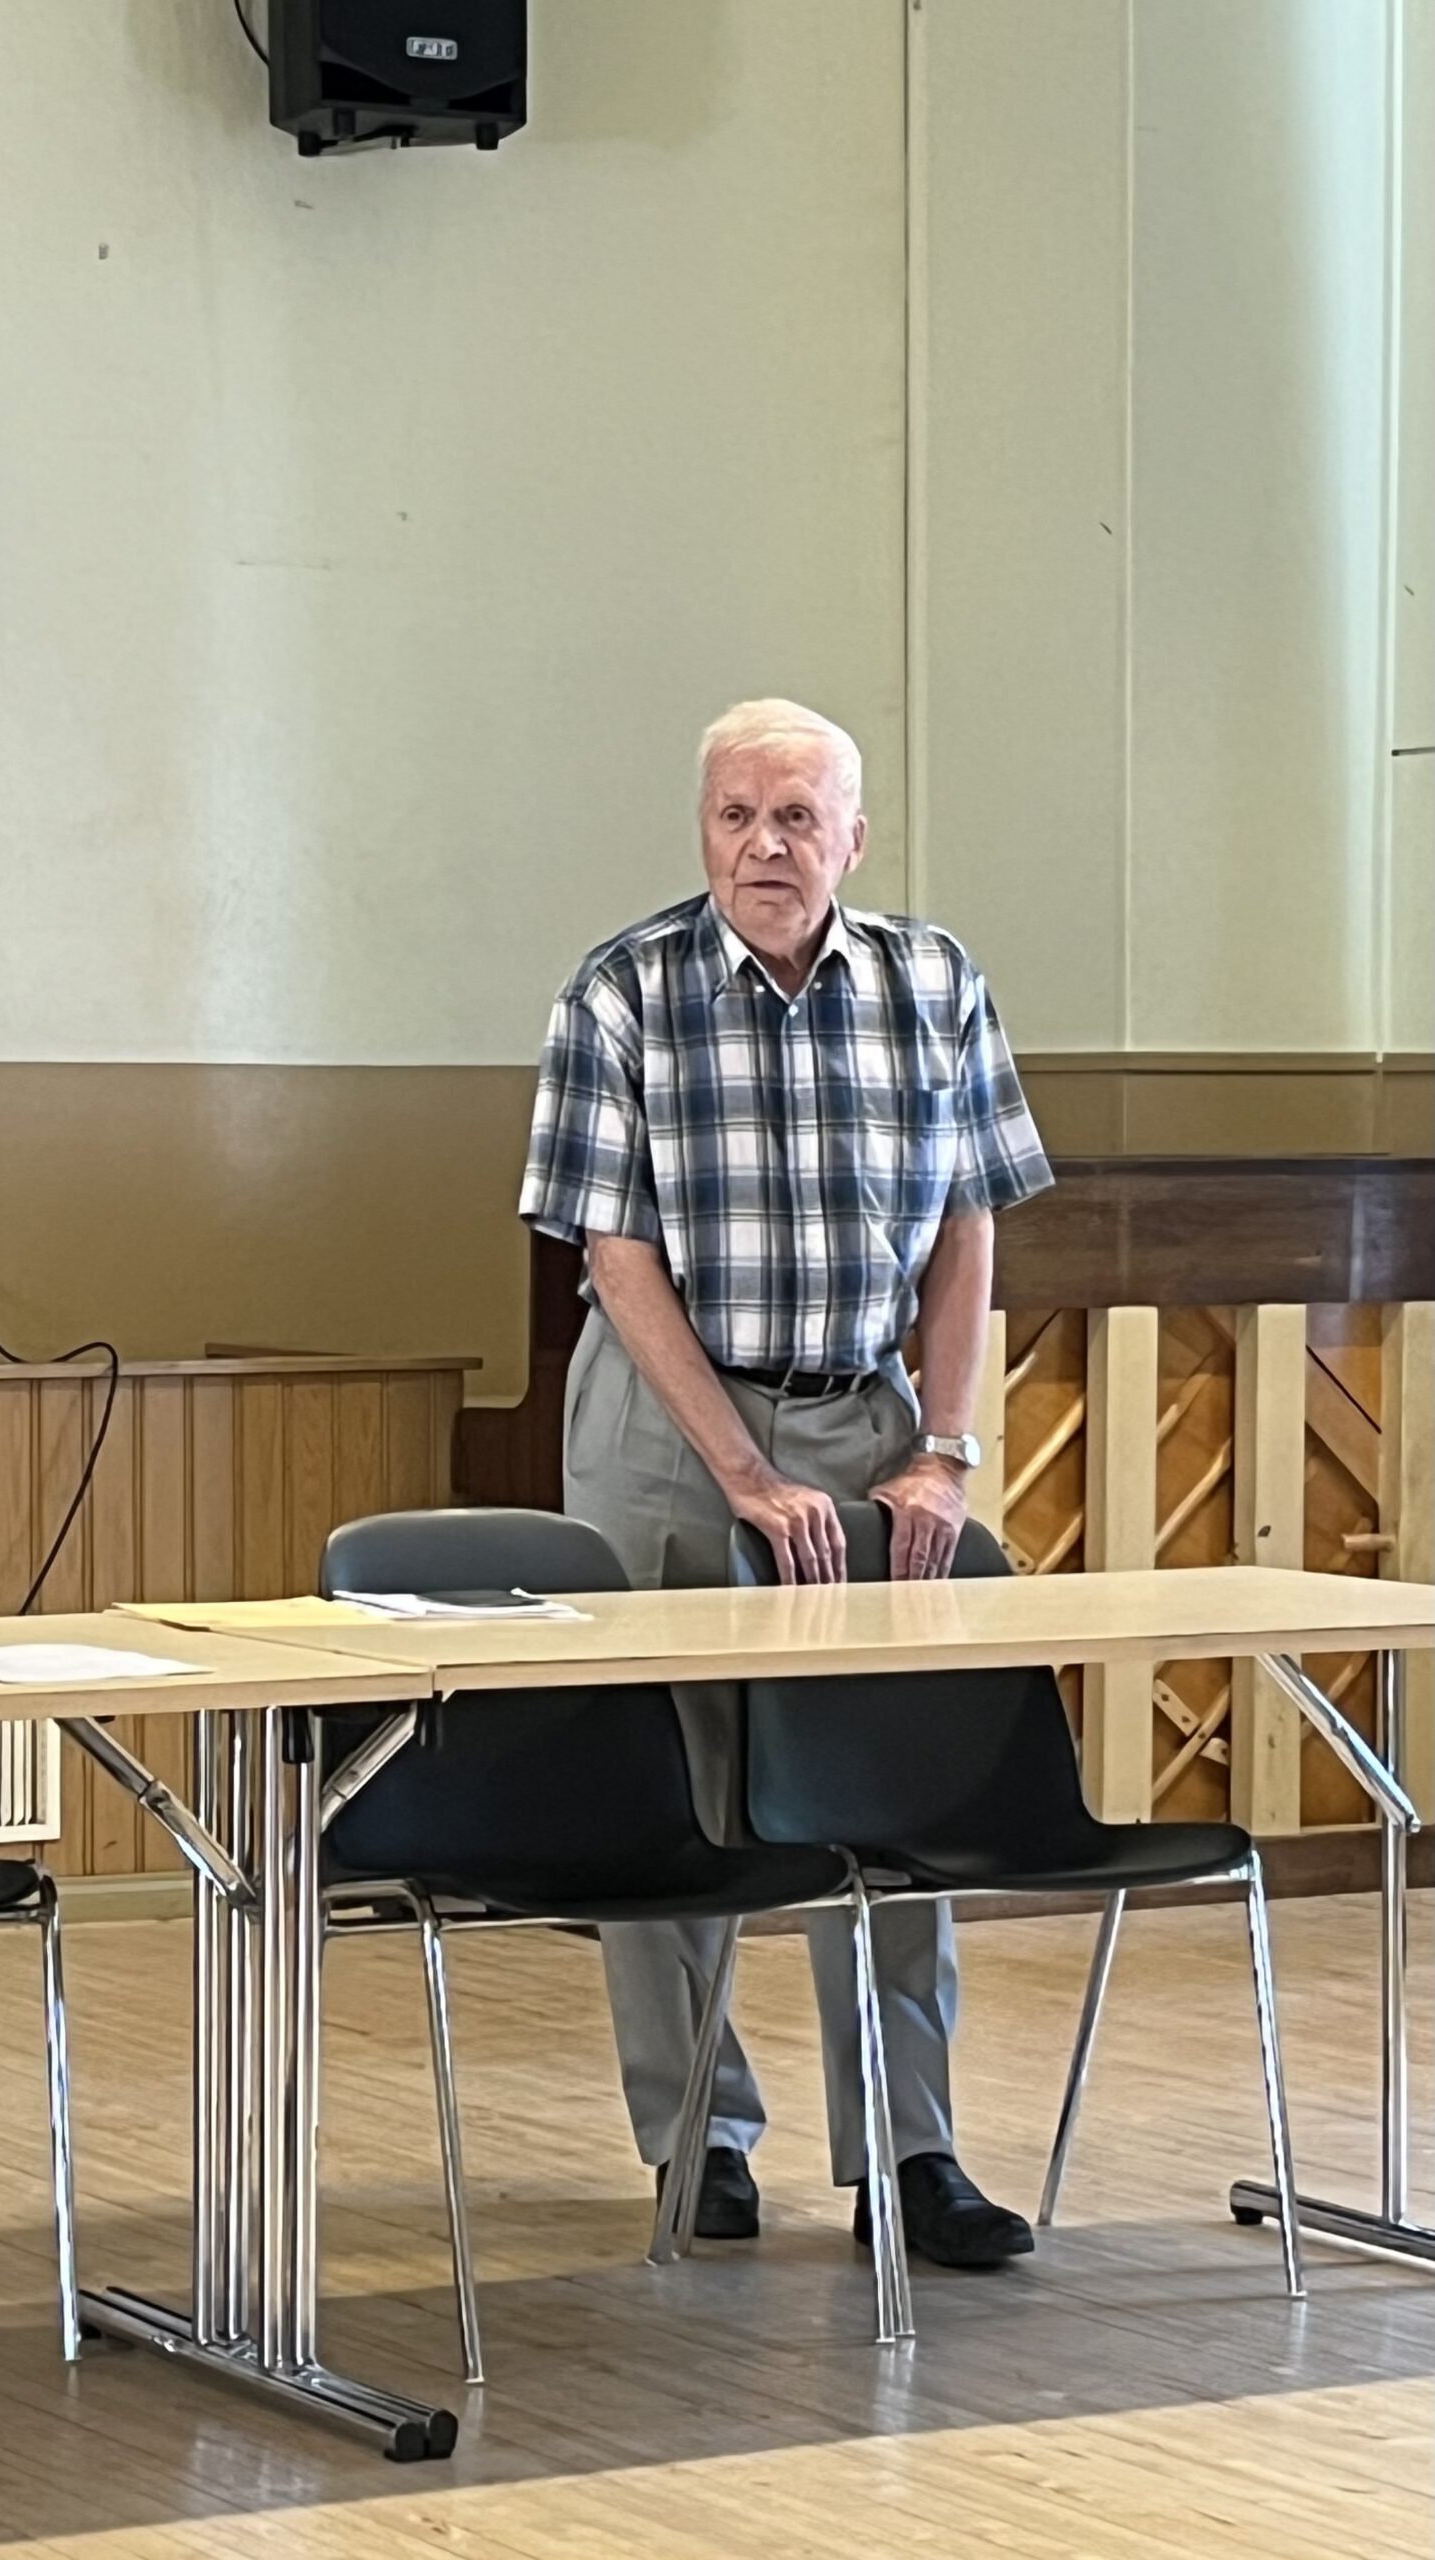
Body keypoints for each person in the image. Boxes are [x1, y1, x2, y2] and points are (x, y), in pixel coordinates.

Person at [519, 697, 1053, 2268]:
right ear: (703, 829)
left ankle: (910, 2149)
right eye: (735, 815)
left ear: (852, 838)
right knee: (672, 1781)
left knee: (891, 1786)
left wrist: (942, 1448)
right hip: (663, 1423)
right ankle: (695, 2135)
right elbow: (615, 1259)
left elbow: (965, 1228)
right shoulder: (618, 990)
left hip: (862, 1415)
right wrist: (742, 1471)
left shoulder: (933, 983)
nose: (763, 845)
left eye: (795, 817)